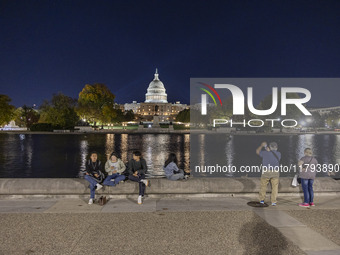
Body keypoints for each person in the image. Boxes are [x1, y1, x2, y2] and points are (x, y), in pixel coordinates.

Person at [256, 141, 281, 206]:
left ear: (269, 147)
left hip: (266, 171)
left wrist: (262, 146)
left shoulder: (265, 153)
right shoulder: (279, 154)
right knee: (275, 187)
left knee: (263, 186)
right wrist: (269, 150)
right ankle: (273, 201)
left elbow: (257, 152)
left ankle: (262, 200)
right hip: (275, 172)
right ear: (277, 148)